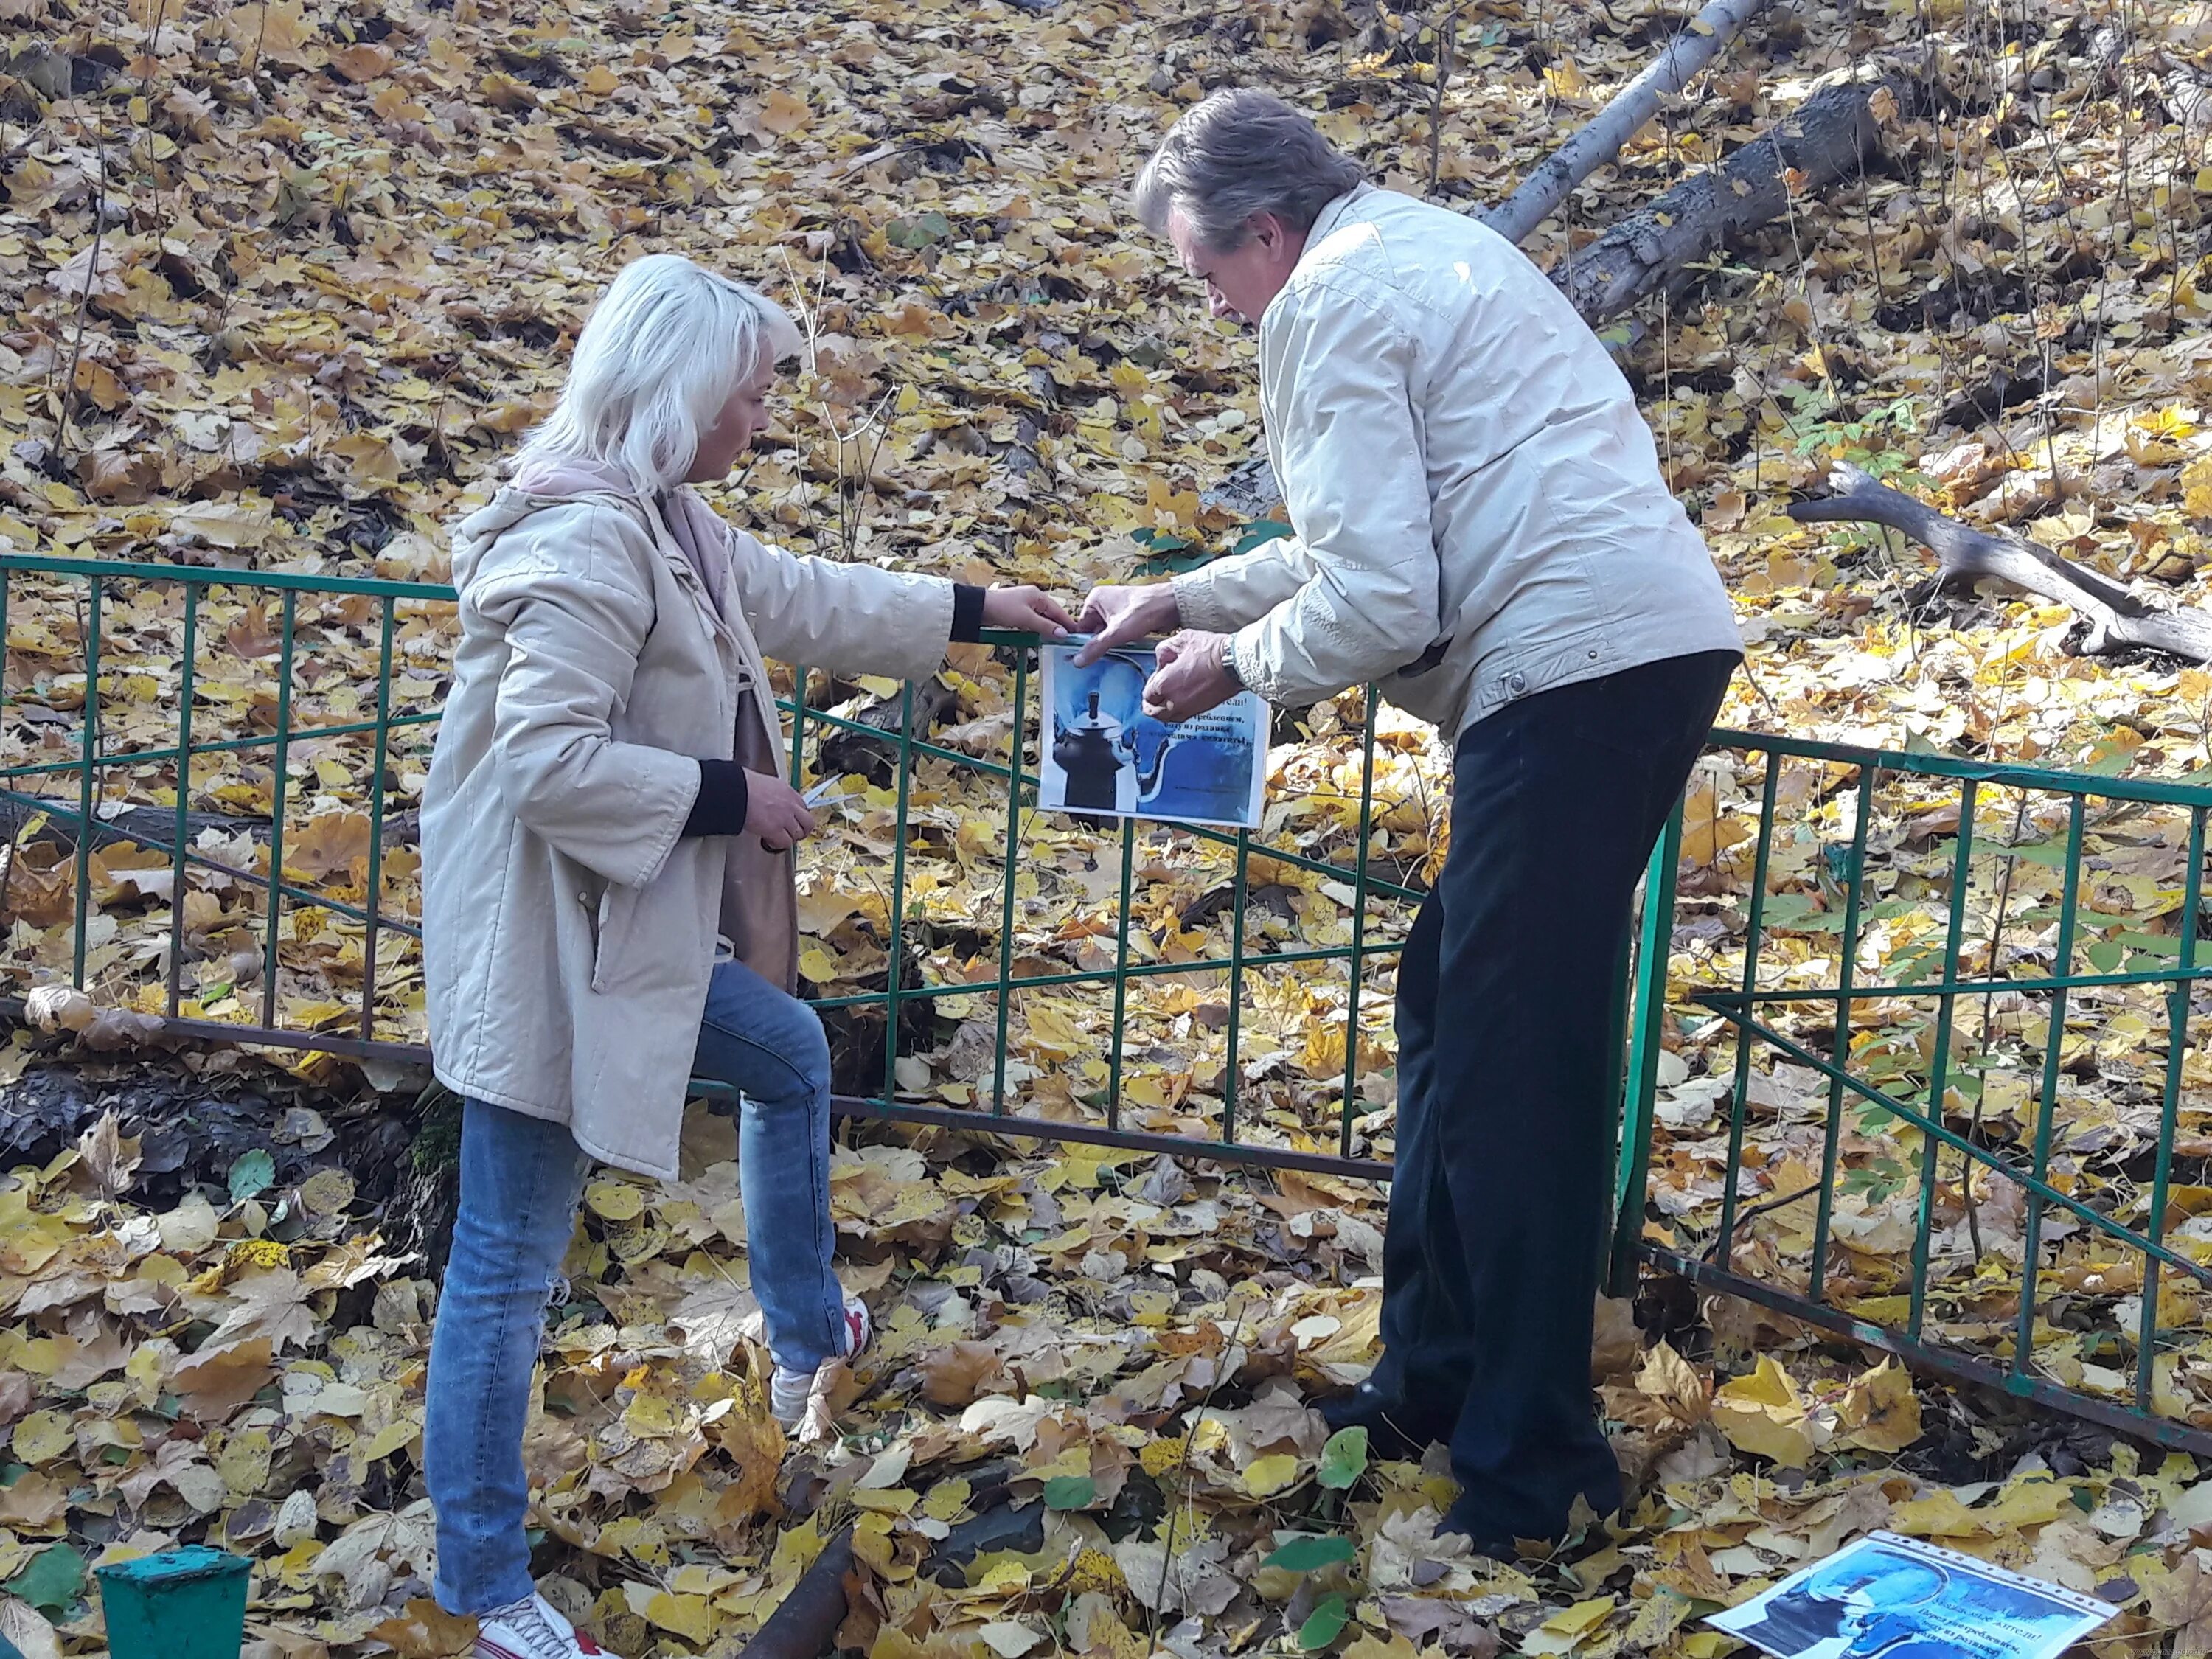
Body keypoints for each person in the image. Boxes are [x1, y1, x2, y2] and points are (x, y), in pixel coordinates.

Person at [1075, 88, 1743, 1552]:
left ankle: (1537, 1463)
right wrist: (1186, 597)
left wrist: (1229, 665)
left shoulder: (1328, 300)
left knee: (1517, 1066)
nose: (1218, 313)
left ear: (1266, 232)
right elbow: (1358, 541)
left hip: (1572, 661)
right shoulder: (1420, 253)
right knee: (1455, 1008)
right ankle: (1433, 1386)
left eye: (1206, 278)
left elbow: (1383, 599)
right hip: (1621, 646)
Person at [418, 254, 1071, 1658]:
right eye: (755, 388)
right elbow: (547, 760)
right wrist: (733, 797)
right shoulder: (583, 540)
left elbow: (802, 595)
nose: (766, 413)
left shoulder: (671, 522)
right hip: (550, 958)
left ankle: (799, 1326)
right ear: (681, 391)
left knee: (788, 1053)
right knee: (506, 1265)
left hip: (627, 944)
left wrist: (982, 606)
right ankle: (482, 1588)